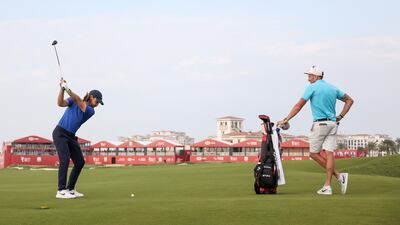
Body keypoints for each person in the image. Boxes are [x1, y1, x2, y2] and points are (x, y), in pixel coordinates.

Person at [278, 66, 354, 195]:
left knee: (313, 154)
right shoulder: (333, 88)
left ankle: (338, 177)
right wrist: (340, 116)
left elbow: (299, 105)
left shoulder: (312, 87)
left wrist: (286, 119)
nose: (308, 79)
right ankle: (328, 185)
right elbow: (349, 100)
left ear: (317, 77)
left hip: (320, 125)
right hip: (333, 124)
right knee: (329, 154)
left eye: (310, 76)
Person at [52, 79, 104, 199]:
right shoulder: (74, 100)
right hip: (60, 133)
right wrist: (62, 89)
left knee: (80, 162)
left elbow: (79, 101)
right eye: (97, 101)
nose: (97, 104)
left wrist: (67, 88)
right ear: (91, 97)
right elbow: (60, 103)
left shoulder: (90, 111)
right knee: (64, 160)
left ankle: (70, 189)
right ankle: (61, 191)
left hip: (70, 136)